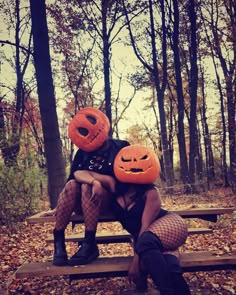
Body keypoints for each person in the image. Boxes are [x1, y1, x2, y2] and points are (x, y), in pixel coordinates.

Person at [81, 145, 191, 295]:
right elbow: (80, 172)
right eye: (126, 161)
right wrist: (95, 182)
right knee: (170, 267)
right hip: (151, 241)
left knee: (145, 244)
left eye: (141, 161)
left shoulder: (151, 192)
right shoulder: (114, 187)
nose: (133, 165)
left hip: (170, 226)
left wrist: (135, 262)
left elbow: (145, 227)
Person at [51, 106, 129, 266]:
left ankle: (89, 243)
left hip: (109, 201)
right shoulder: (82, 153)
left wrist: (99, 181)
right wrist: (60, 206)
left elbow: (121, 182)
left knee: (87, 187)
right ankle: (59, 241)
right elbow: (72, 178)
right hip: (83, 202)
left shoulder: (121, 147)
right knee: (75, 184)